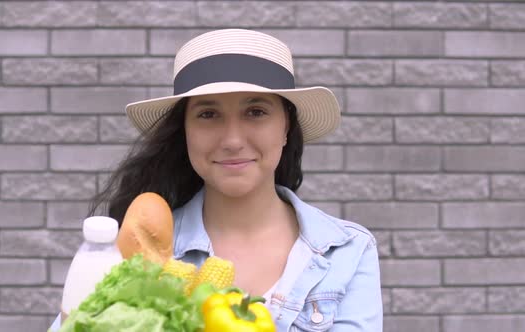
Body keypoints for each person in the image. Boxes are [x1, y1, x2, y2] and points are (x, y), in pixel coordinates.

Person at [50, 29, 382, 331]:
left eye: (256, 112)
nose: (233, 140)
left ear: (286, 128)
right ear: (185, 132)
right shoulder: (132, 255)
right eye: (208, 114)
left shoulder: (348, 251)